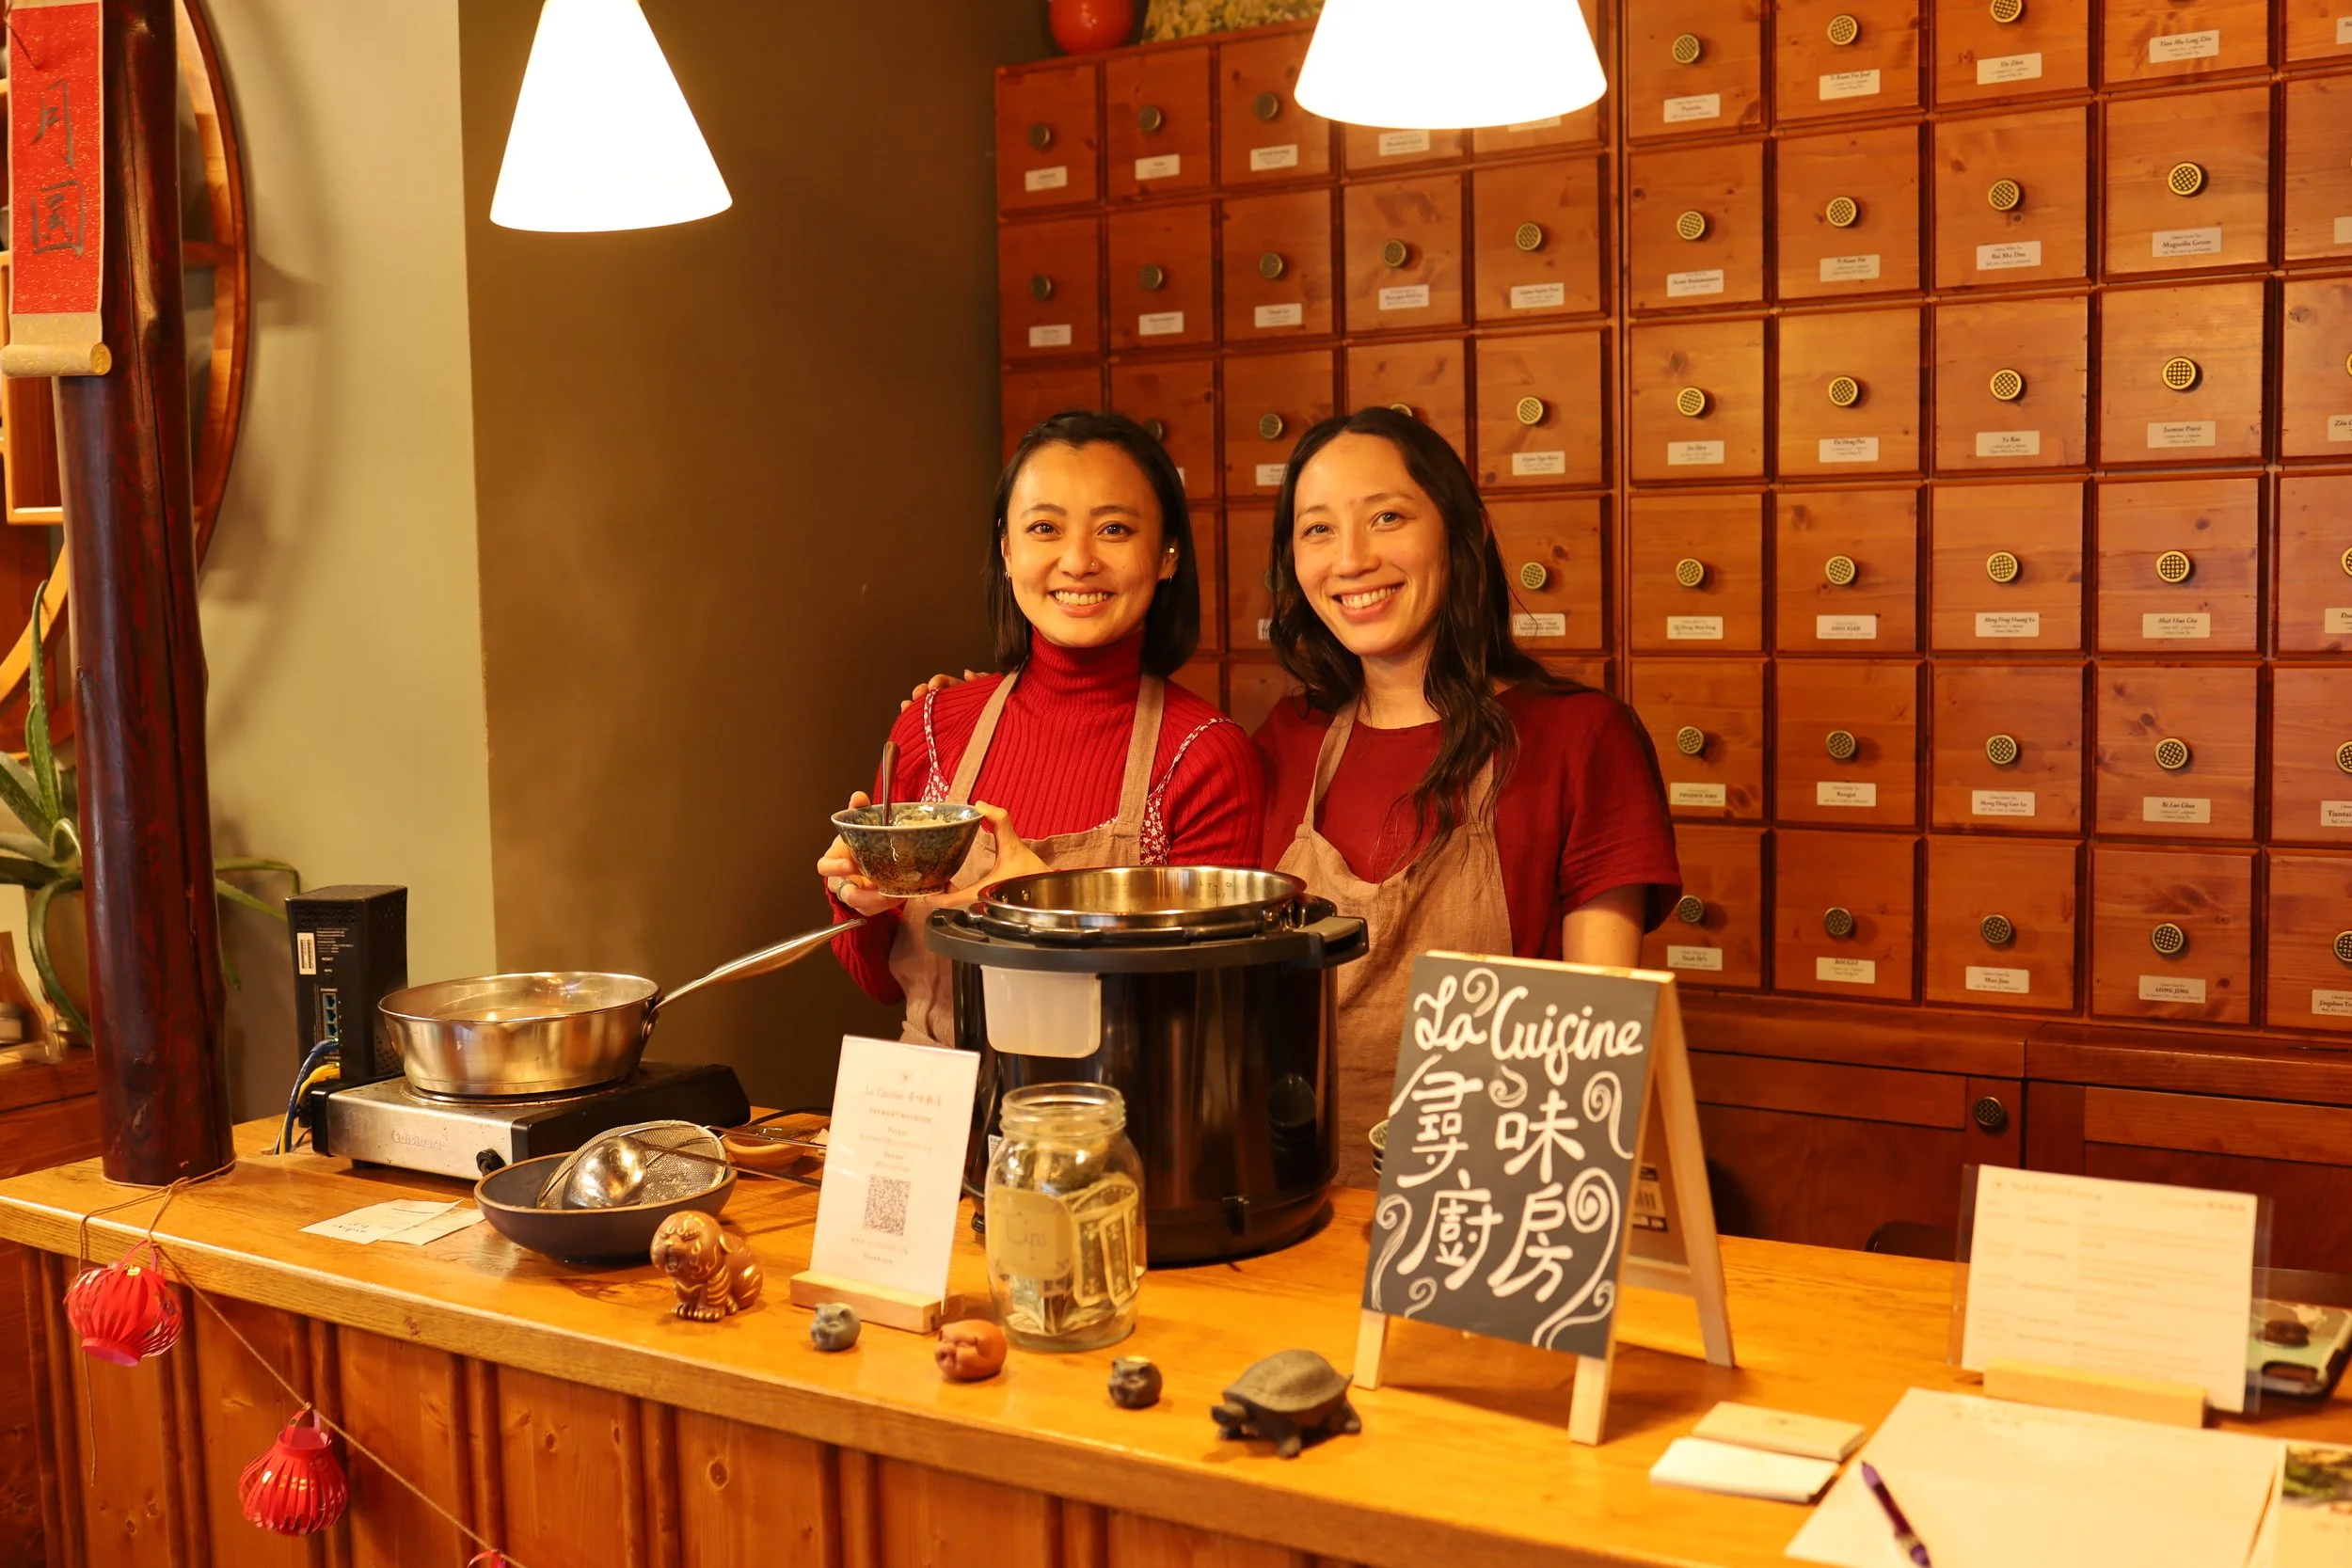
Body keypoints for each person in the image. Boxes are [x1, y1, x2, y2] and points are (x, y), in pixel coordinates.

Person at [1252, 408, 1681, 1187]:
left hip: (1495, 1216)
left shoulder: (1581, 738)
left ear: (1467, 530)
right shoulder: (1287, 737)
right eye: (1317, 530)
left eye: (1387, 517)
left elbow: (1604, 1049)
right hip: (1299, 1202)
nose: (1351, 559)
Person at [818, 411, 1264, 1045]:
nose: (1078, 561)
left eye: (1114, 528)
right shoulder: (932, 726)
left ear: (1167, 554)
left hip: (1111, 1121)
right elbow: (887, 983)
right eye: (1044, 528)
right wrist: (856, 902)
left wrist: (1042, 911)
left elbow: (1205, 1013)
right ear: (1006, 551)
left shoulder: (1204, 756)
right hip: (930, 1115)